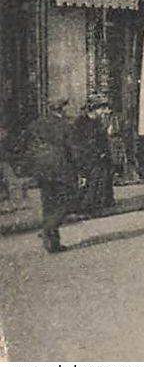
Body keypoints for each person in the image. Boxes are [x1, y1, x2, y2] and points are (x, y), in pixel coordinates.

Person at [25, 99, 77, 253]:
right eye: (64, 109)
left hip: (41, 169)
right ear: (61, 110)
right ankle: (49, 229)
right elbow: (73, 149)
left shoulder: (36, 124)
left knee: (48, 204)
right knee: (67, 201)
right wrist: (79, 168)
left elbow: (28, 146)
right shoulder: (65, 126)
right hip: (60, 168)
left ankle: (53, 243)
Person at [72, 96, 115, 214]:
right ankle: (85, 206)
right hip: (87, 157)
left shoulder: (97, 122)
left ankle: (97, 204)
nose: (103, 112)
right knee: (89, 183)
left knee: (99, 181)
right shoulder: (81, 122)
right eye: (101, 108)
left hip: (98, 156)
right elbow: (82, 141)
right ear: (94, 109)